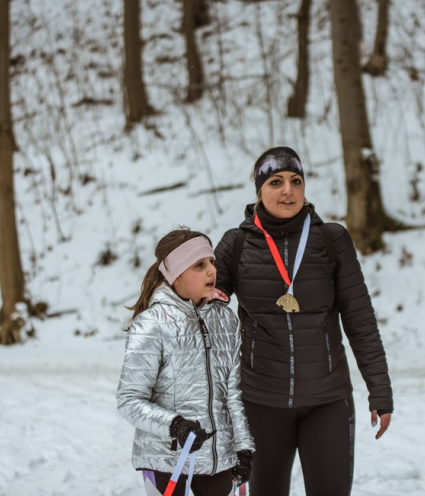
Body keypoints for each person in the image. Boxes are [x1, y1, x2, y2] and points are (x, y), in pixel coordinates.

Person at [213, 146, 393, 496]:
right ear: (259, 191)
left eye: (296, 181)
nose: (288, 190)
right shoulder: (236, 245)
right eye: (276, 182)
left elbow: (360, 320)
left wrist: (380, 389)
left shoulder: (331, 240)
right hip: (260, 402)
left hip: (326, 401)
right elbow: (202, 312)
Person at [116, 229, 255, 496]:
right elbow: (129, 400)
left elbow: (233, 394)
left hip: (218, 458)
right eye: (199, 265)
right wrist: (174, 425)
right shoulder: (152, 324)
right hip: (165, 459)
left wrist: (243, 448)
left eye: (212, 262)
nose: (211, 271)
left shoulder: (225, 320)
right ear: (176, 275)